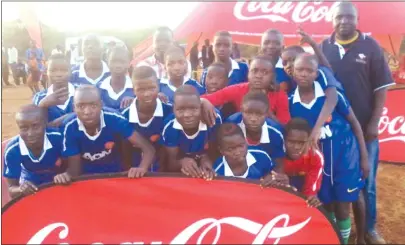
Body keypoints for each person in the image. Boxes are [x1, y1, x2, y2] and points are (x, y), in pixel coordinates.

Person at [321, 3, 395, 244]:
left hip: (364, 128)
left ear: (357, 19)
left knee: (366, 182)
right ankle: (333, 227)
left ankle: (369, 230)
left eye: (349, 17)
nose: (344, 21)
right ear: (332, 20)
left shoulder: (371, 46)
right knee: (331, 180)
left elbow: (381, 89)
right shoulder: (324, 47)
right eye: (339, 17)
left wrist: (374, 123)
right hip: (332, 132)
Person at [289, 53, 369, 244]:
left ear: (317, 74)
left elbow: (355, 123)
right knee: (326, 204)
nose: (304, 74)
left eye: (310, 70)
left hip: (345, 156)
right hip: (319, 161)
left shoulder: (332, 95)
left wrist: (364, 157)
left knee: (343, 205)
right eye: (300, 69)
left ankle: (347, 240)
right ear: (292, 72)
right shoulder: (291, 101)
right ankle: (334, 238)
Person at [54, 85, 155, 183]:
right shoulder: (69, 127)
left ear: (101, 105)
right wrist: (65, 175)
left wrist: (141, 168)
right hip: (86, 179)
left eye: (93, 105)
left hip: (116, 176)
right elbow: (75, 170)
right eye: (81, 106)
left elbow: (148, 149)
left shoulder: (115, 119)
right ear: (74, 108)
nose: (87, 112)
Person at [201, 55, 290, 126]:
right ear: (248, 73)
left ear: (272, 76)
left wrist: (268, 114)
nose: (258, 76)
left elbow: (284, 126)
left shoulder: (279, 95)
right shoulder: (238, 89)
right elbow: (208, 98)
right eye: (254, 71)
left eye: (264, 72)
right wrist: (203, 101)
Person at [3, 105, 64, 198]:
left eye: (35, 126)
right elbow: (11, 189)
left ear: (44, 124)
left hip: (55, 177)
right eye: (24, 128)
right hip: (30, 182)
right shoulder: (12, 150)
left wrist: (64, 175)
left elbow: (70, 167)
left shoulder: (58, 137)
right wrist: (21, 189)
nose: (30, 133)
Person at [160, 85, 222, 173]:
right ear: (173, 109)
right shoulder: (169, 127)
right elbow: (171, 164)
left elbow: (215, 152)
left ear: (200, 107)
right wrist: (181, 162)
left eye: (193, 109)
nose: (187, 115)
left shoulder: (213, 117)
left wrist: (207, 160)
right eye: (181, 110)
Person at [122, 66, 173, 172]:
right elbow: (123, 151)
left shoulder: (170, 111)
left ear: (158, 87)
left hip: (164, 174)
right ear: (133, 90)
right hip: (134, 175)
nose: (147, 94)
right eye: (141, 89)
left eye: (151, 88)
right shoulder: (124, 117)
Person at [226, 92, 285, 173]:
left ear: (267, 113)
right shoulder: (232, 123)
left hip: (265, 173)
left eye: (259, 114)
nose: (253, 119)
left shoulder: (275, 132)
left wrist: (273, 177)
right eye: (248, 113)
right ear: (241, 110)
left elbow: (278, 165)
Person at [282, 118, 323, 207]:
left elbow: (310, 191)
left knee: (313, 202)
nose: (296, 147)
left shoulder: (315, 157)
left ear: (309, 142)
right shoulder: (276, 153)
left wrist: (310, 198)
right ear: (284, 140)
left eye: (302, 143)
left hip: (302, 185)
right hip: (281, 187)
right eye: (291, 141)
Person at [33, 54, 75, 126]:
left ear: (70, 72)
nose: (59, 74)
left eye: (64, 70)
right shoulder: (39, 97)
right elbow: (35, 126)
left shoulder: (80, 95)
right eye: (53, 70)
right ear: (47, 72)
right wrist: (42, 105)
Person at [99, 46, 134, 110]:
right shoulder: (98, 88)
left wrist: (135, 101)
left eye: (122, 62)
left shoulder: (136, 88)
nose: (118, 65)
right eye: (114, 61)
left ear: (129, 63)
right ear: (107, 63)